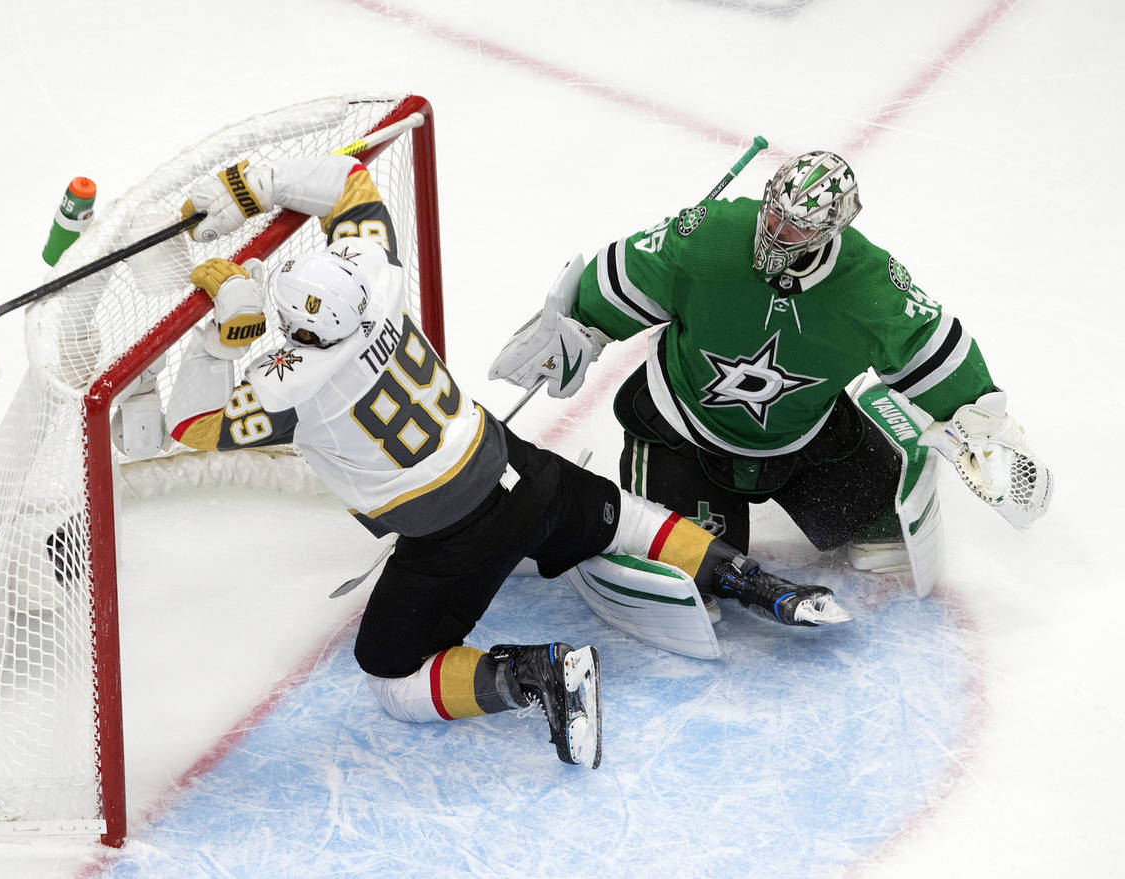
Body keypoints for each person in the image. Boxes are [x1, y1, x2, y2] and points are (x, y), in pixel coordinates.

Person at [165, 154, 850, 769]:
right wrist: (255, 184)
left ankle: (540, 673)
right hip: (518, 468)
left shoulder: (293, 388)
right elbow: (350, 185)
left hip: (451, 537)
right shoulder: (374, 280)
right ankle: (754, 579)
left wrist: (219, 339)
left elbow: (190, 424)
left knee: (391, 675)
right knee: (624, 519)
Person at [490, 150, 1052, 578]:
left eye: (798, 226)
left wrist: (983, 424)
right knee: (696, 569)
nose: (778, 232)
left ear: (835, 228)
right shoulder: (710, 236)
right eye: (775, 214)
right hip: (687, 431)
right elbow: (625, 272)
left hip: (801, 435)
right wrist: (575, 326)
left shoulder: (868, 286)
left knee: (885, 534)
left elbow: (931, 346)